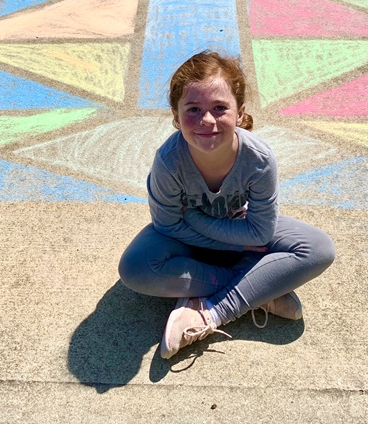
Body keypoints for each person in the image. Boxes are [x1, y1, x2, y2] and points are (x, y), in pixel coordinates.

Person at [118, 50, 335, 359]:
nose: (207, 120)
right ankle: (259, 290)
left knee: (318, 248)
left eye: (219, 107)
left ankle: (210, 311)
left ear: (240, 111)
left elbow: (260, 233)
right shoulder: (168, 162)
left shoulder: (259, 159)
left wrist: (196, 219)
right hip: (193, 241)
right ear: (176, 117)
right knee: (135, 269)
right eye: (193, 109)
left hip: (233, 229)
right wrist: (237, 247)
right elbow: (167, 226)